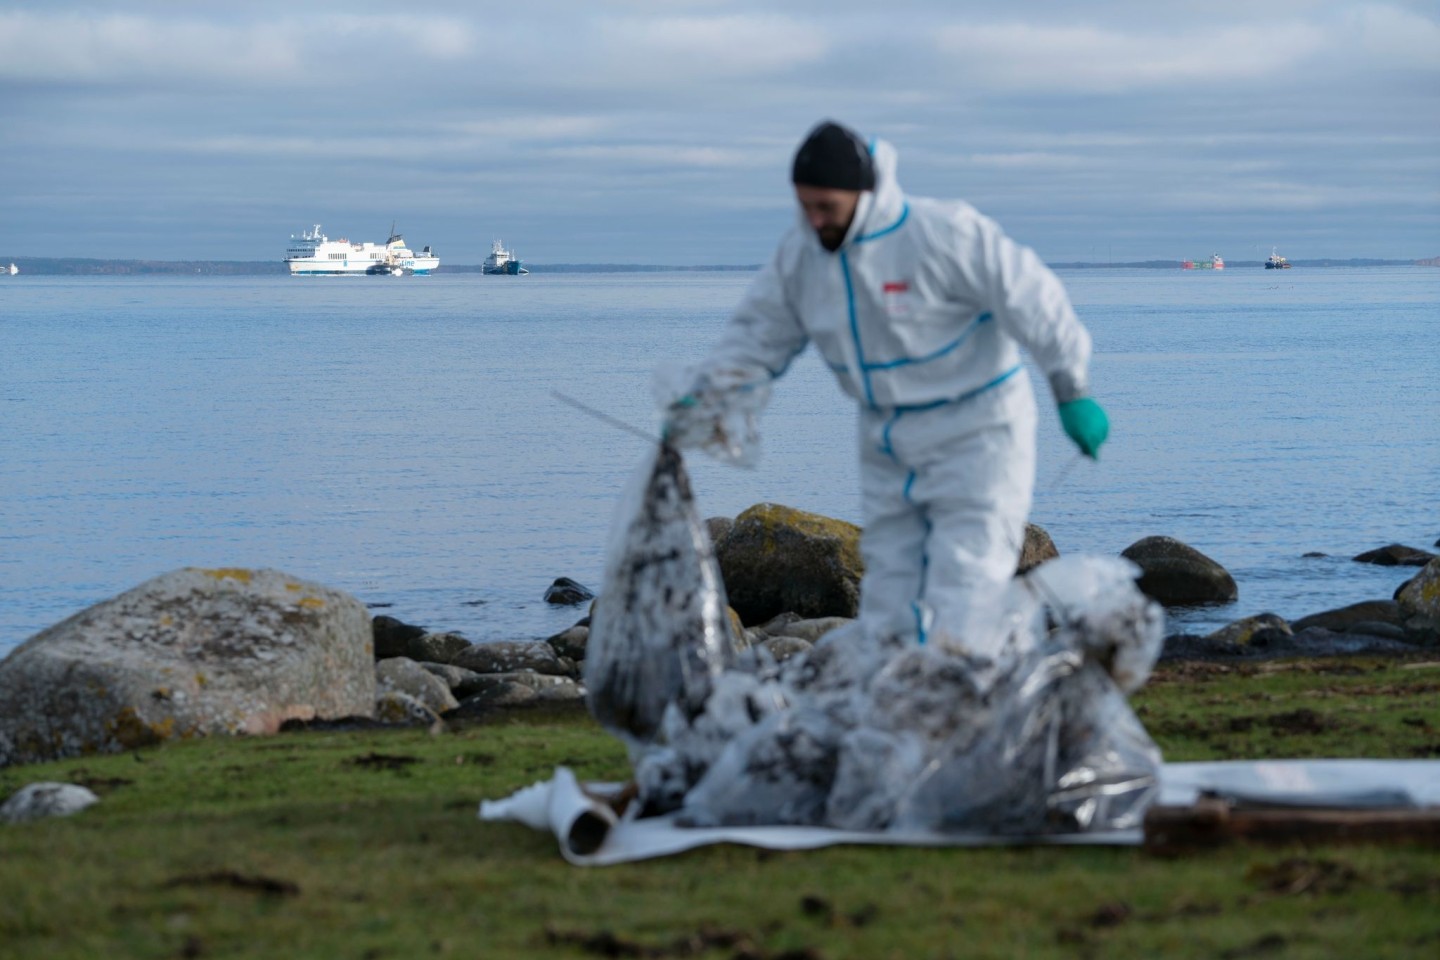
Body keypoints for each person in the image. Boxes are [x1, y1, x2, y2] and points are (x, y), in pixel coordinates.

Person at [665, 120, 1108, 660]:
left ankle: (973, 704)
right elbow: (756, 336)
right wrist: (710, 396)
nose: (814, 219)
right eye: (805, 205)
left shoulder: (942, 234)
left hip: (979, 430)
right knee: (893, 592)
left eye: (825, 206)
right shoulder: (803, 259)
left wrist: (1071, 388)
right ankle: (910, 711)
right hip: (888, 435)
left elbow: (1034, 300)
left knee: (966, 582)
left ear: (863, 193)